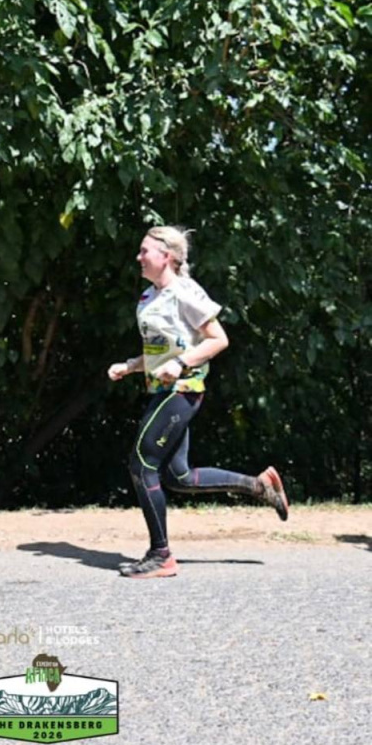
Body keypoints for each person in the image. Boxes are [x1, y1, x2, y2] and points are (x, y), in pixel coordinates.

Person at [108, 225, 288, 579]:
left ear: (168, 257)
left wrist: (181, 364)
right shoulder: (149, 297)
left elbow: (218, 339)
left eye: (145, 251)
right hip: (163, 390)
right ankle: (259, 485)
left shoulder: (185, 292)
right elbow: (164, 349)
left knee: (142, 464)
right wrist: (131, 366)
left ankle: (161, 555)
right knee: (179, 477)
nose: (138, 257)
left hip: (183, 390)